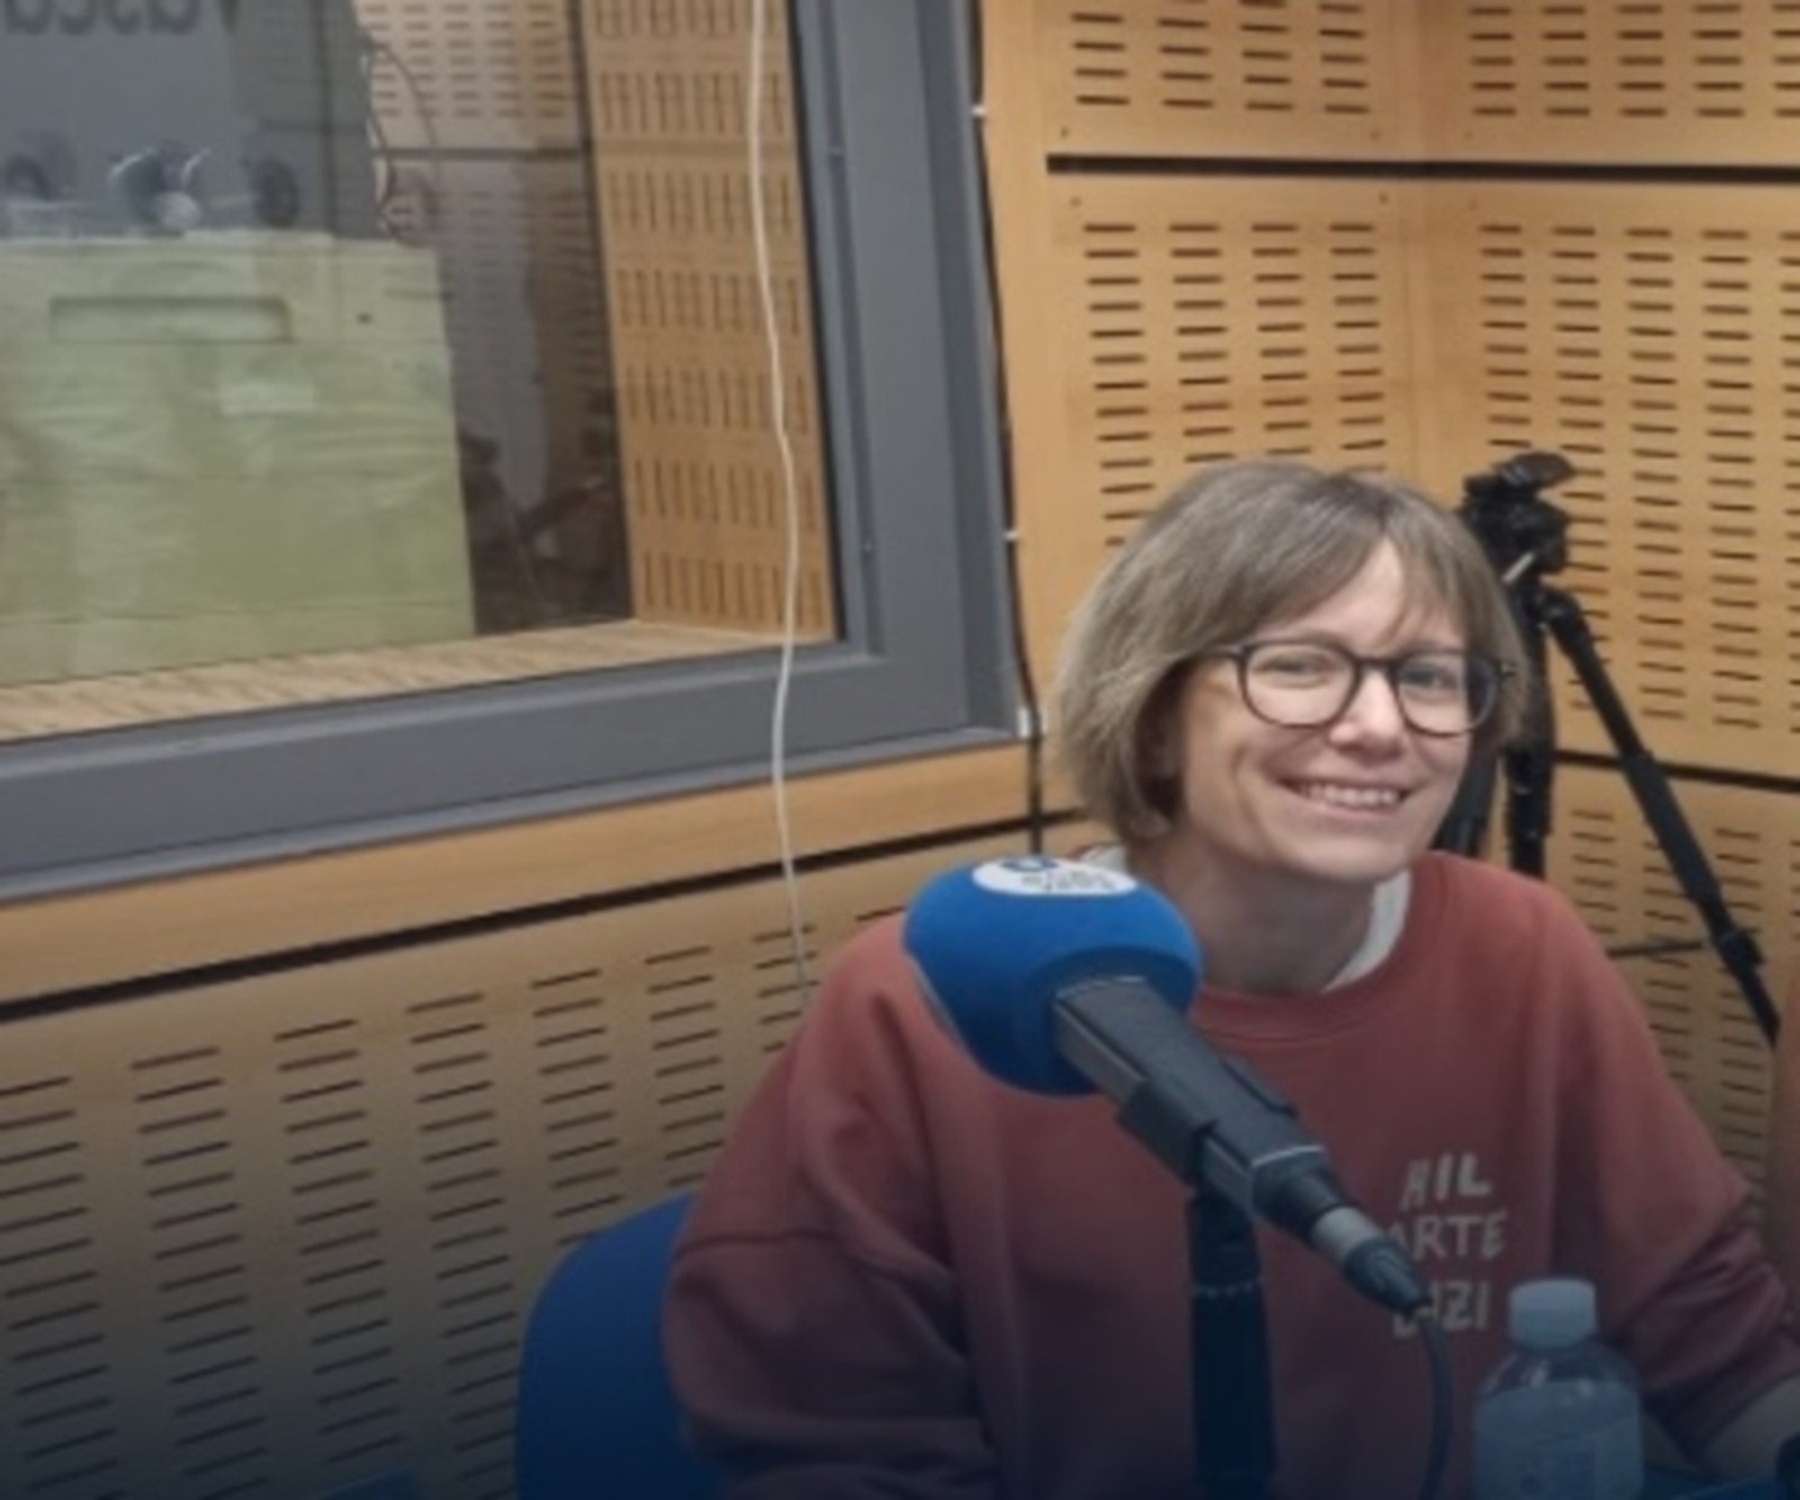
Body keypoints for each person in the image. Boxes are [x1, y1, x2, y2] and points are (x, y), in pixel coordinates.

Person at [664, 459, 1800, 1498]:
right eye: (1298, 667)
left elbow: (1700, 1326)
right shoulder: (928, 996)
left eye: (1429, 676)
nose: (1377, 725)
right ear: (1153, 717)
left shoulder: (1524, 948)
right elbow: (832, 1449)